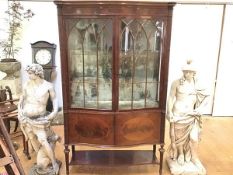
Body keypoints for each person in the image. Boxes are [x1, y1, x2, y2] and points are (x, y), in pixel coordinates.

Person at [166, 60, 208, 173]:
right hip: (178, 114)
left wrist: (200, 109)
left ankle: (193, 157)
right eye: (185, 71)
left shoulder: (197, 84)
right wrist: (169, 112)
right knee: (179, 137)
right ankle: (180, 153)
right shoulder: (176, 83)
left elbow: (206, 97)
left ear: (194, 73)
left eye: (189, 72)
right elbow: (170, 98)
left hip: (191, 115)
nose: (186, 74)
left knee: (193, 138)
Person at [18, 64, 60, 174]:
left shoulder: (48, 86)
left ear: (37, 73)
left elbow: (55, 100)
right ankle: (39, 158)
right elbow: (21, 100)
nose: (28, 75)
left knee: (43, 140)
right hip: (26, 118)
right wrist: (19, 111)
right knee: (31, 138)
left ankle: (54, 162)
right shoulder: (26, 84)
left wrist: (54, 112)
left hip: (40, 118)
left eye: (30, 73)